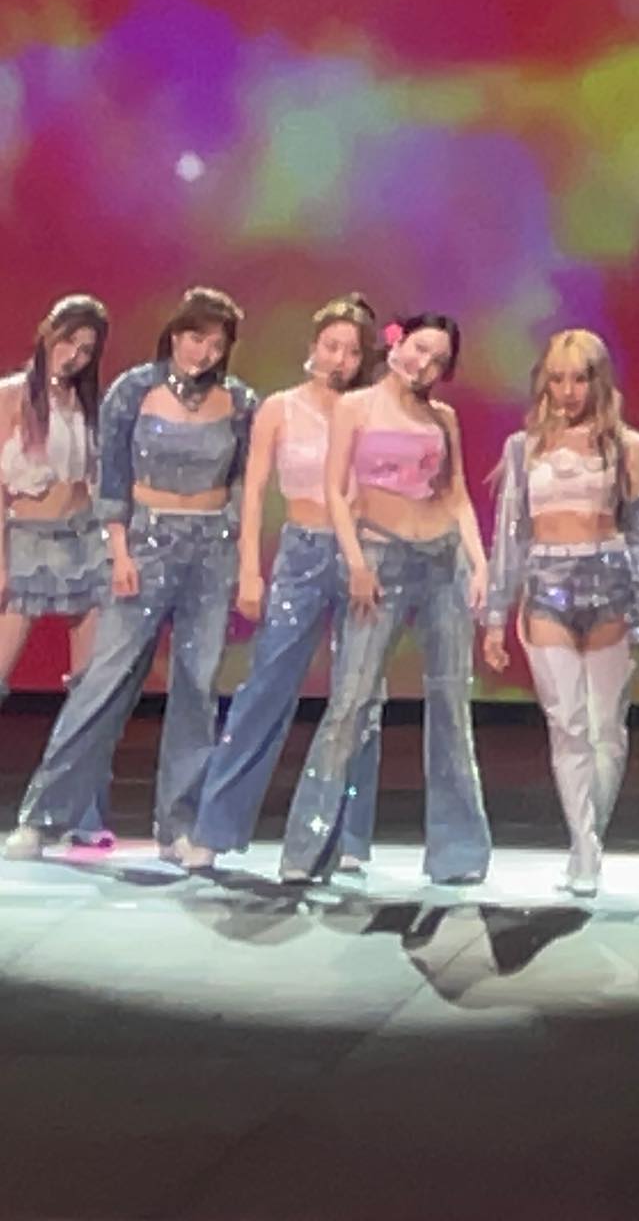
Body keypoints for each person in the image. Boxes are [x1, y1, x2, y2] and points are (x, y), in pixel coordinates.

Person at [6, 286, 256, 861]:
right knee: (104, 681)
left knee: (197, 687)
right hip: (143, 547)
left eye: (216, 344)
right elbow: (113, 481)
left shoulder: (241, 401)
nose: (203, 353)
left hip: (211, 551)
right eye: (195, 338)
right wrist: (119, 553)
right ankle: (43, 817)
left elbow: (246, 486)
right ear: (175, 334)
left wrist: (245, 564)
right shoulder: (133, 390)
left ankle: (179, 826)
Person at [278, 312, 491, 885]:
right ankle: (307, 851)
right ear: (397, 342)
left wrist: (480, 564)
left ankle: (459, 854)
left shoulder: (443, 418)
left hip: (441, 563)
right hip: (379, 557)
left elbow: (457, 496)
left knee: (451, 706)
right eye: (420, 349)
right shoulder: (357, 406)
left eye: (439, 360)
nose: (426, 365)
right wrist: (354, 562)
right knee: (350, 703)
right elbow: (334, 490)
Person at [184, 294, 386, 871]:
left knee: (359, 695)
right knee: (265, 689)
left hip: (362, 552)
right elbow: (252, 494)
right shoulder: (280, 408)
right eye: (332, 346)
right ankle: (215, 829)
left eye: (352, 351)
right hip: (302, 552)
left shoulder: (371, 410)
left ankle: (347, 836)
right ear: (313, 347)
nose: (340, 359)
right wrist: (249, 570)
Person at [483, 329, 639, 896]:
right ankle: (584, 848)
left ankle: (592, 837)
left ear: (598, 381)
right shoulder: (523, 448)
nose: (568, 391)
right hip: (546, 588)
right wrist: (495, 615)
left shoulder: (627, 446)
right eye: (557, 379)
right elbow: (510, 535)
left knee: (606, 726)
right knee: (567, 724)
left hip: (609, 584)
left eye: (580, 379)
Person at [0, 295, 113, 843]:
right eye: (68, 342)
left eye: (86, 350)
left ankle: (79, 813)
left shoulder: (88, 405)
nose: (75, 356)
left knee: (90, 689)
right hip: (25, 540)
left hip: (84, 542)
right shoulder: (10, 397)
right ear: (48, 334)